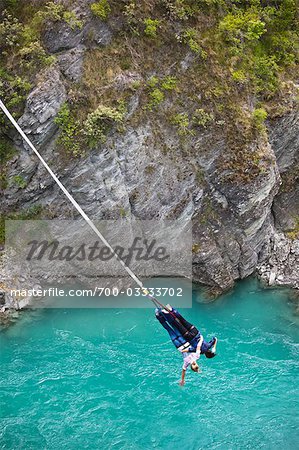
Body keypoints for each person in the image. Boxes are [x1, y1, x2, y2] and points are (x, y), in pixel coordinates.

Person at [155, 305, 217, 385]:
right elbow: (196, 347)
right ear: (198, 364)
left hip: (179, 344)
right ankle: (163, 314)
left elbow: (183, 371)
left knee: (169, 329)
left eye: (194, 367)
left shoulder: (187, 362)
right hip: (184, 342)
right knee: (174, 326)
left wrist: (182, 380)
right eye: (197, 366)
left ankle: (159, 315)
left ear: (191, 366)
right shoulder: (197, 356)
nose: (195, 365)